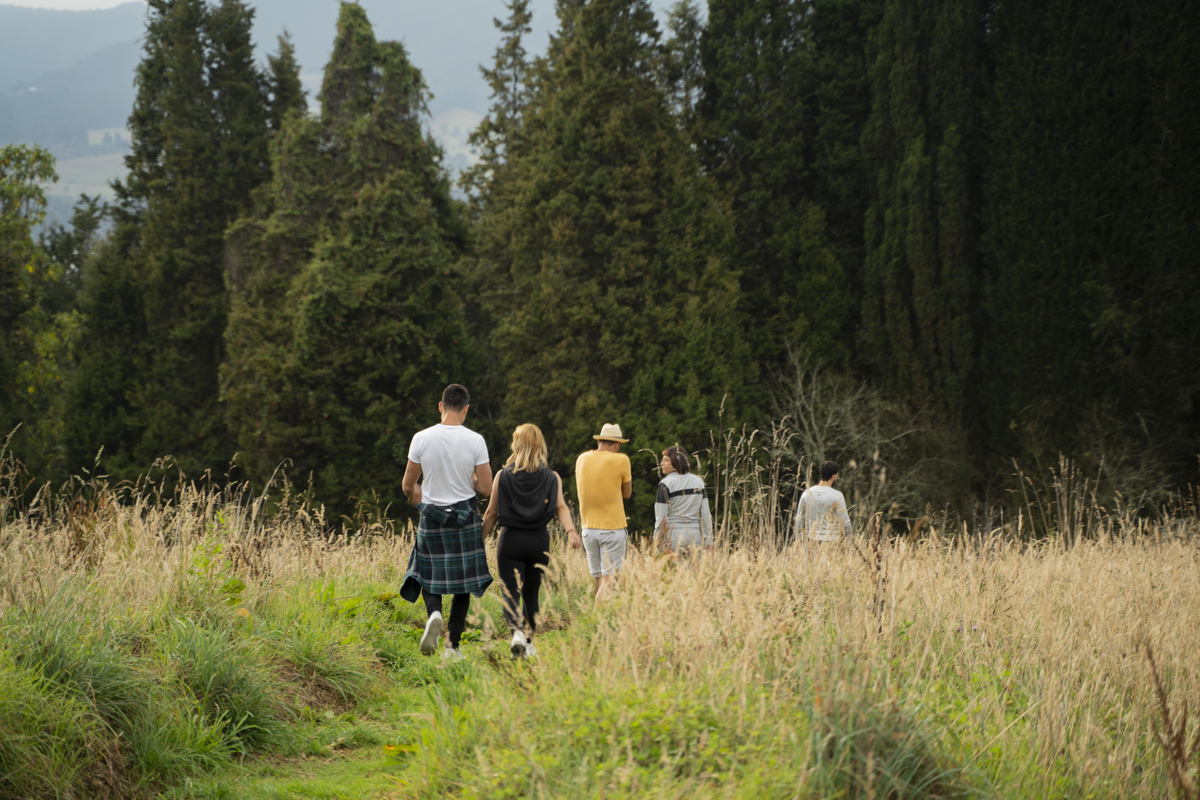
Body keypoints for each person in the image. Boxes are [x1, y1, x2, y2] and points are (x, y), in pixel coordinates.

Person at [400, 384, 493, 660]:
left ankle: (434, 614)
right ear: (465, 409)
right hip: (463, 518)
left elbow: (407, 484)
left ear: (441, 407)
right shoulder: (476, 440)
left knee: (429, 575)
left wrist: (416, 496)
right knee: (462, 584)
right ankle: (453, 646)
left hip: (431, 517)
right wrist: (470, 479)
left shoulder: (421, 438)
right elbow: (486, 488)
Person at [481, 423, 579, 658]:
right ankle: (528, 642)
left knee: (511, 592)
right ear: (540, 446)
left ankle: (516, 634)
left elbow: (491, 513)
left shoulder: (502, 476)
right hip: (538, 541)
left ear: (517, 444)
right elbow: (561, 507)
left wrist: (479, 540)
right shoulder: (552, 477)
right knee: (532, 594)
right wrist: (571, 532)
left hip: (510, 540)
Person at [574, 423, 632, 600]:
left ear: (599, 440)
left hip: (588, 529)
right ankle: (594, 621)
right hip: (612, 528)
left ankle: (600, 622)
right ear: (617, 444)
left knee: (598, 579)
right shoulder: (621, 459)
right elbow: (627, 494)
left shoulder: (581, 459)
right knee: (610, 580)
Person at [653, 445, 714, 555]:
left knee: (672, 571)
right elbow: (706, 513)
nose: (662, 464)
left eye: (666, 460)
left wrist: (656, 539)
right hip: (695, 536)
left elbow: (661, 518)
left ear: (675, 462)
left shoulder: (665, 484)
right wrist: (709, 539)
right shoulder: (699, 482)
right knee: (694, 571)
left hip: (673, 536)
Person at [795, 460, 852, 544]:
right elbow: (845, 522)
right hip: (833, 542)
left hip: (812, 540)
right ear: (833, 477)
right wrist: (849, 543)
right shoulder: (837, 495)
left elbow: (799, 519)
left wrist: (798, 540)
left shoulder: (807, 494)